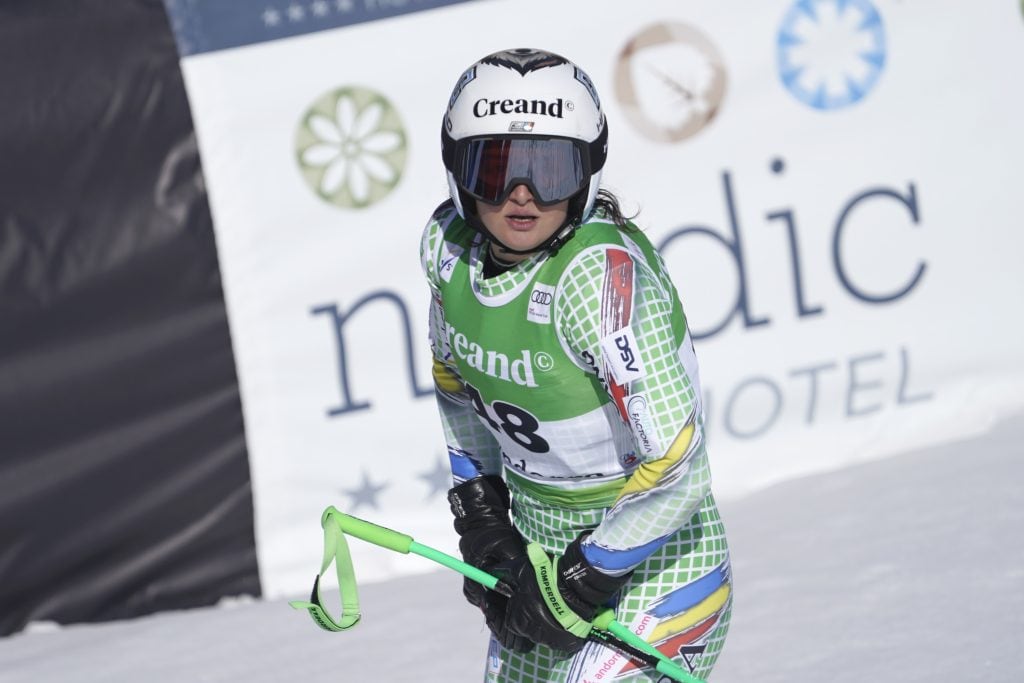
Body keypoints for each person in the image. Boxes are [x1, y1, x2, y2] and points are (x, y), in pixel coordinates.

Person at [419, 48, 732, 683]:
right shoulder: (447, 250)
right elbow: (458, 394)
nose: (521, 195)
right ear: (456, 170)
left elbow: (679, 464)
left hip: (656, 560)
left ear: (586, 172)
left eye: (550, 170)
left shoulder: (595, 277)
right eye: (494, 168)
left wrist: (588, 576)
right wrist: (483, 517)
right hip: (543, 554)